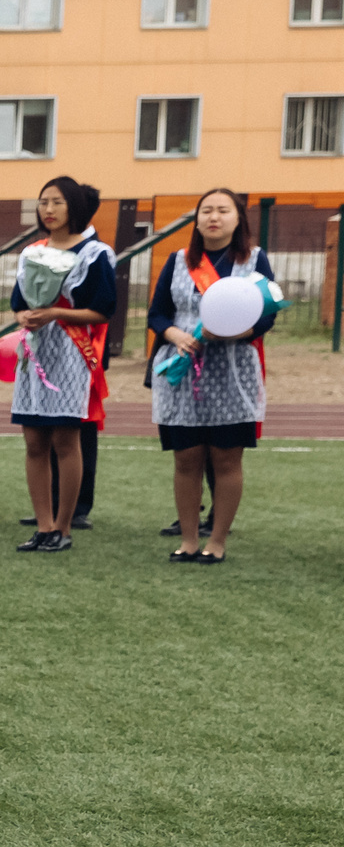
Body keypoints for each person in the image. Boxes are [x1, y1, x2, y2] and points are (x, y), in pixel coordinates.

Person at [151, 186, 276, 564]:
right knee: (186, 458)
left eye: (223, 210)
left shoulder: (254, 260)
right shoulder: (178, 261)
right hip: (184, 370)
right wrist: (175, 335)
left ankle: (217, 541)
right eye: (206, 210)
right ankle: (189, 540)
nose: (214, 217)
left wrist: (236, 332)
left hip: (233, 371)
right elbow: (158, 314)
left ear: (238, 219)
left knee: (226, 460)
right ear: (197, 219)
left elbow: (268, 313)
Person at [10, 177, 116, 554]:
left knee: (66, 440)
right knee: (34, 440)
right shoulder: (31, 252)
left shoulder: (95, 253)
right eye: (43, 202)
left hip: (71, 351)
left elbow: (103, 310)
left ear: (74, 206)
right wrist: (25, 316)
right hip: (35, 351)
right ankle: (42, 526)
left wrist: (56, 313)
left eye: (57, 202)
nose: (48, 209)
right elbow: (18, 302)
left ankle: (63, 526)